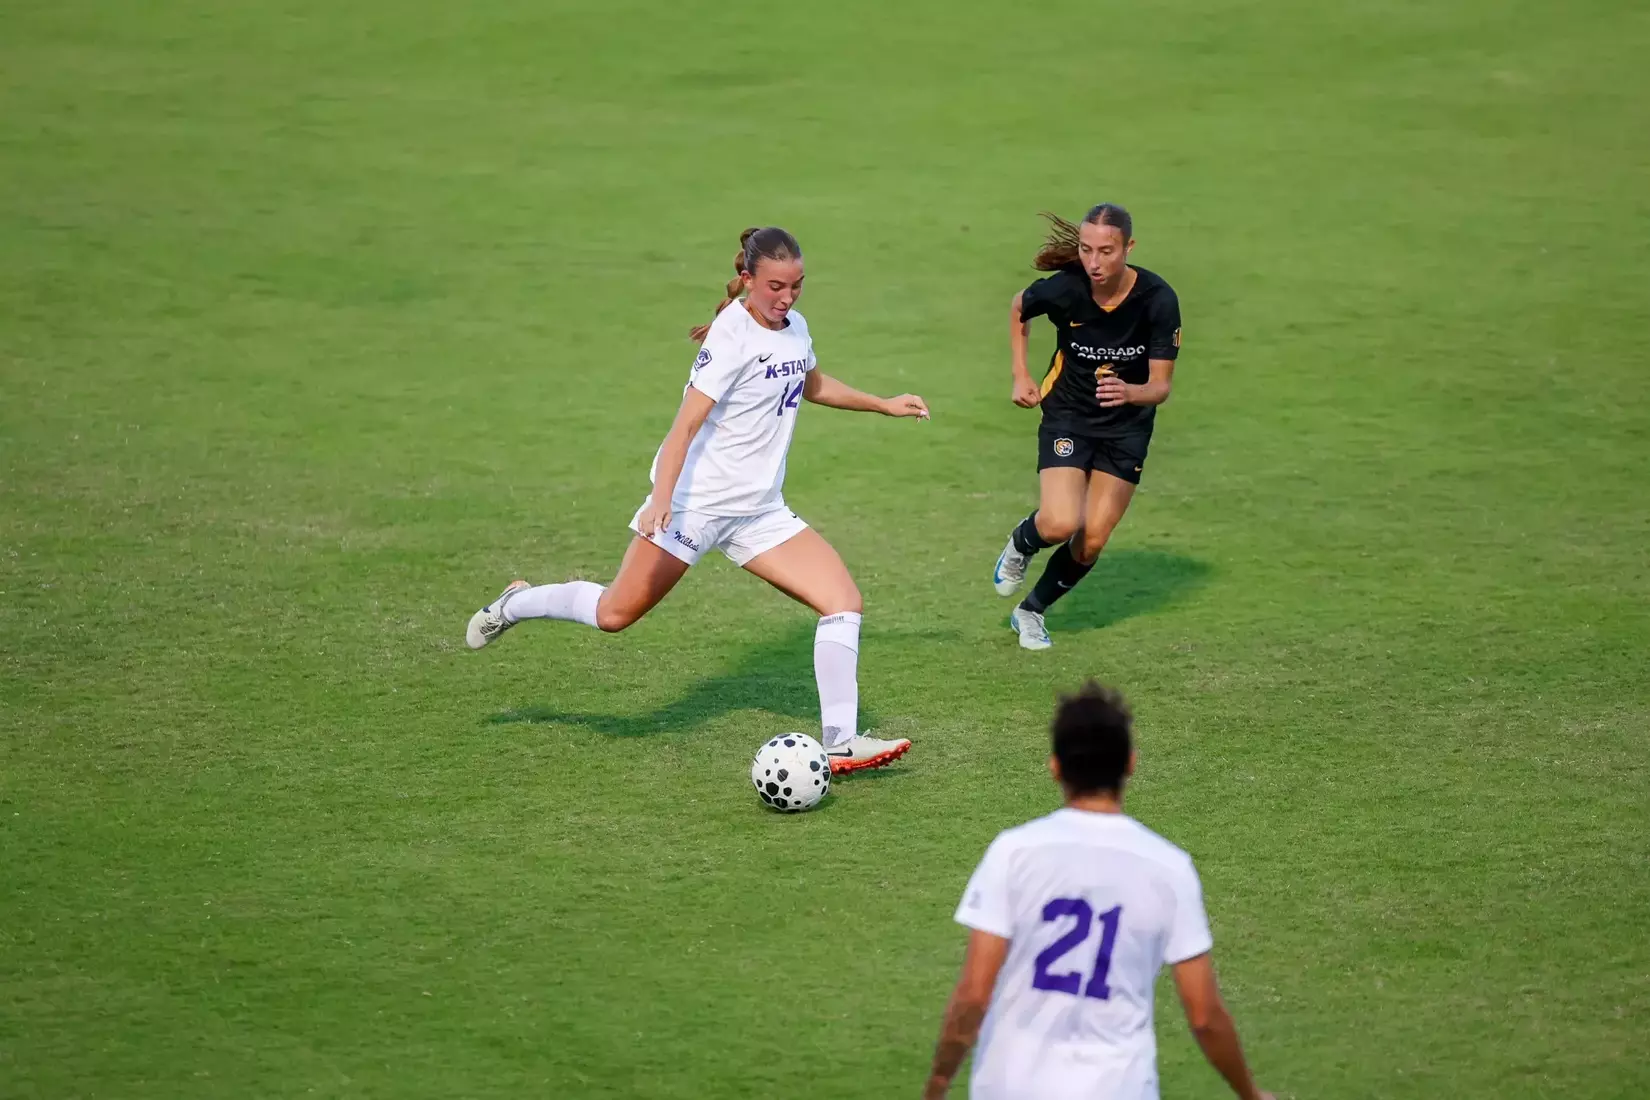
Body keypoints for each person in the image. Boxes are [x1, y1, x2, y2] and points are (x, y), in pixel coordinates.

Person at [464, 227, 927, 773]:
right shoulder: (730, 337)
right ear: (749, 280)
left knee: (843, 602)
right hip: (692, 507)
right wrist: (662, 500)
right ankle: (516, 602)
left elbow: (812, 384)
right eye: (776, 286)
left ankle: (841, 741)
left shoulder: (794, 327)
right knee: (615, 614)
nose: (787, 298)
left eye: (797, 286)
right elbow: (685, 426)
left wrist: (882, 404)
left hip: (758, 511)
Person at [923, 682, 1273, 1100]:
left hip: (1011, 1084)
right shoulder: (1169, 868)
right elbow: (1204, 1016)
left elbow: (974, 994)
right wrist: (1251, 1093)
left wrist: (940, 1080)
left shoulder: (1013, 853)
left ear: (1055, 767)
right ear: (1131, 764)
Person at [990, 205, 1182, 650]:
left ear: (1128, 248)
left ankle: (1030, 612)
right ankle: (1021, 543)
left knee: (1092, 539)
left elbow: (1160, 387)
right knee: (1059, 523)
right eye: (1086, 249)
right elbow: (1020, 307)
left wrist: (1131, 393)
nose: (1094, 263)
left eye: (1106, 252)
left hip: (1127, 428)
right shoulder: (1067, 288)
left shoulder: (1157, 299)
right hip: (1070, 415)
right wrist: (1021, 374)